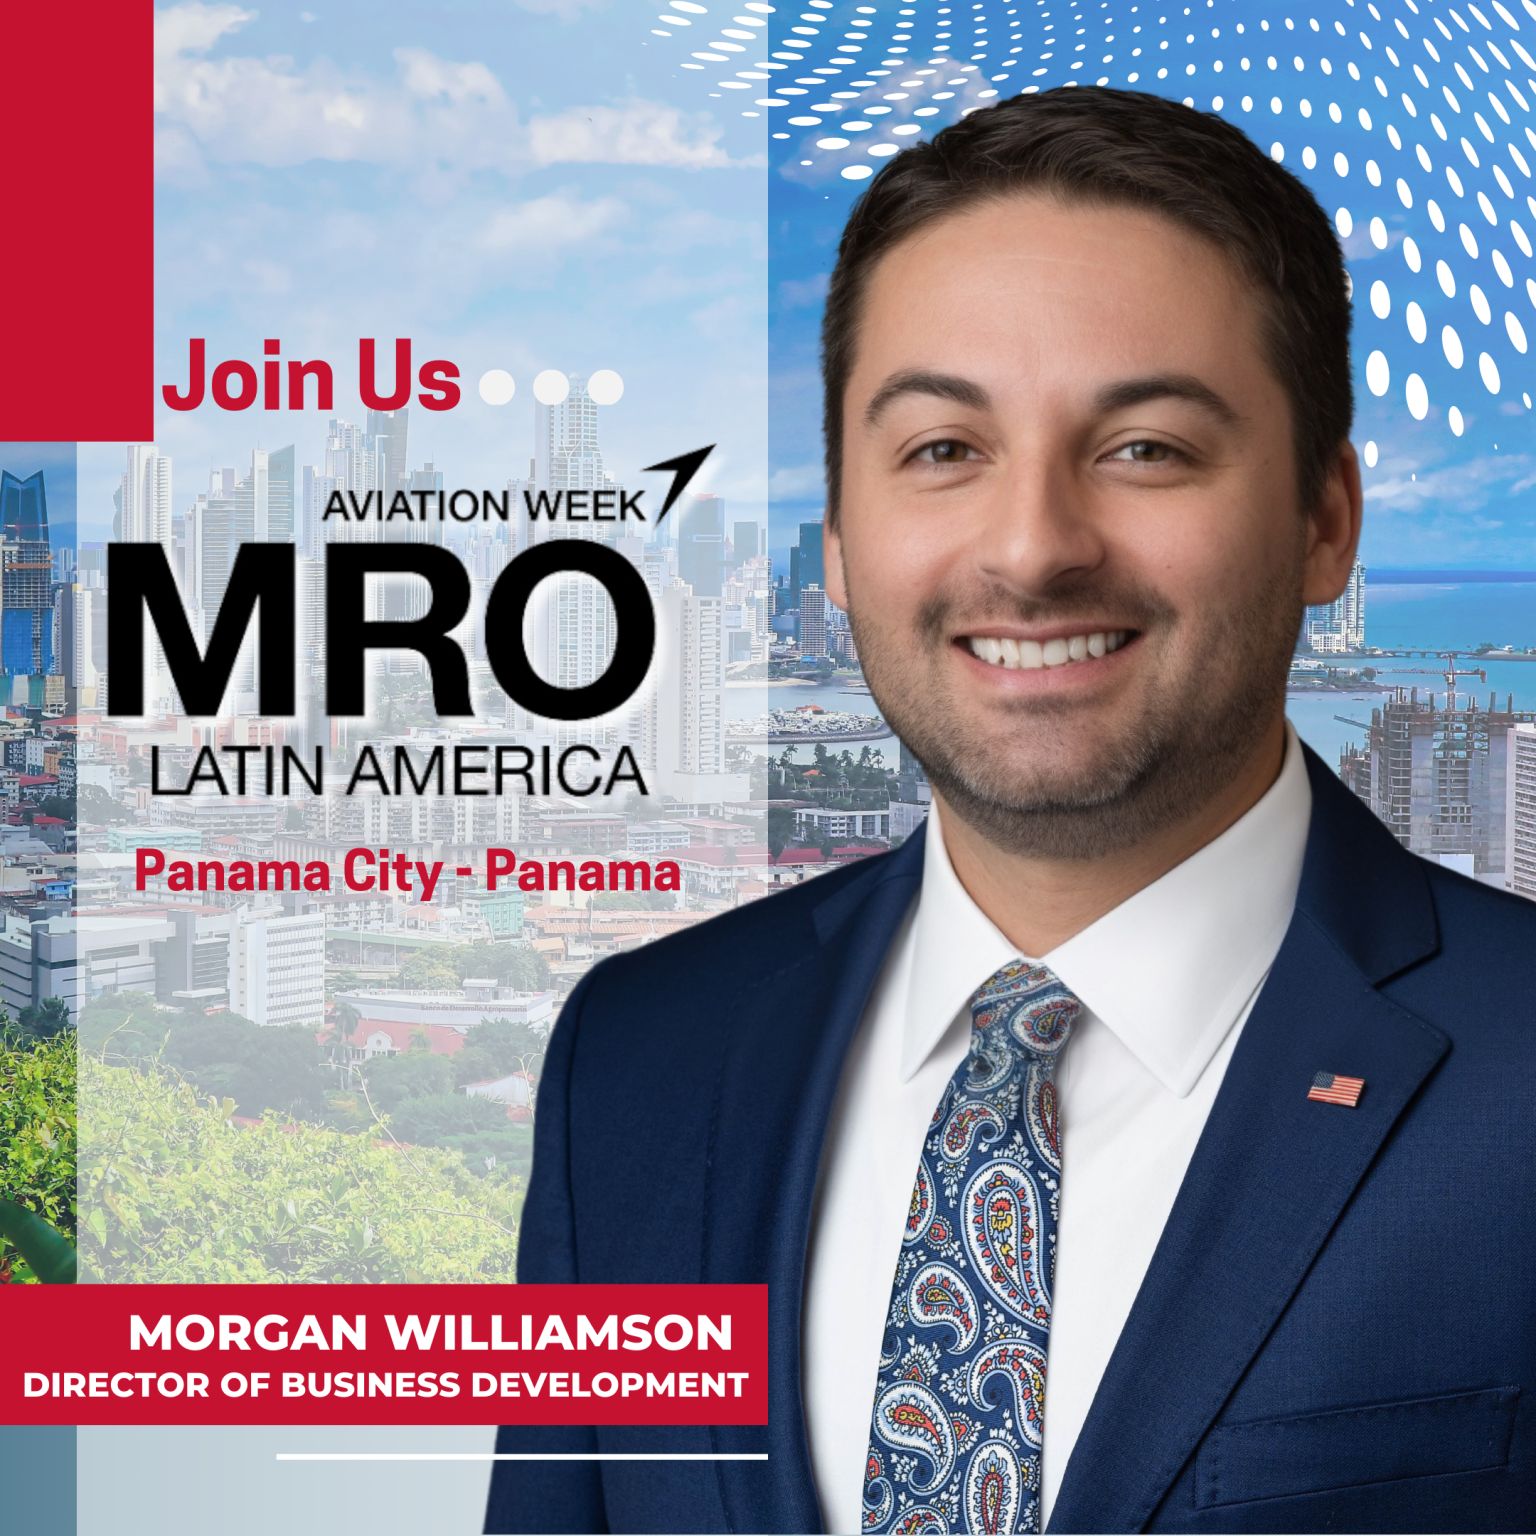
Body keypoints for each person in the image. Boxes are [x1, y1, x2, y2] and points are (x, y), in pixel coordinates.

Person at [486, 86, 1535, 1535]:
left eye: (1146, 448)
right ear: (840, 544)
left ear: (1325, 522)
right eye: (942, 451)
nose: (1034, 547)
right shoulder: (641, 1060)